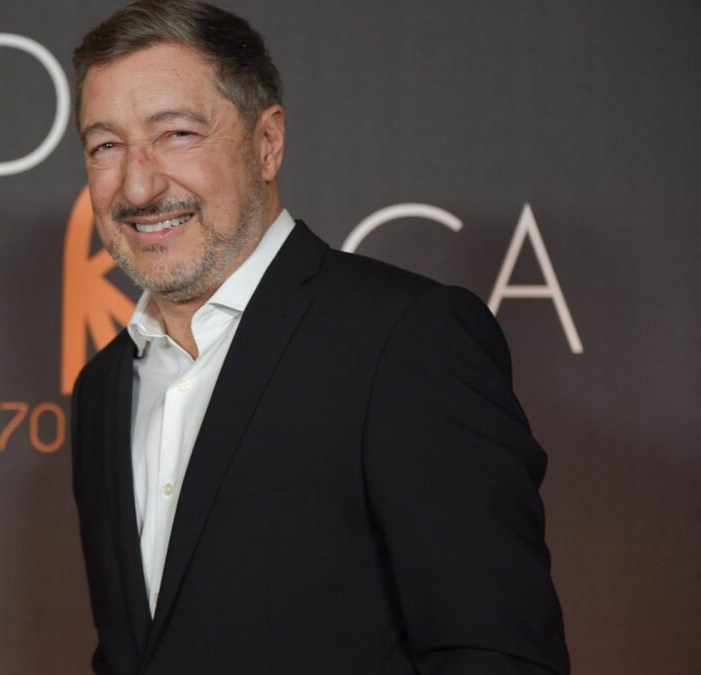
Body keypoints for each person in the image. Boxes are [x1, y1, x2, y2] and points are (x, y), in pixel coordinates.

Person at [68, 1, 570, 674]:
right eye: (106, 146)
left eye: (177, 134)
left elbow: (495, 650)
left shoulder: (404, 339)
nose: (137, 183)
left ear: (267, 142)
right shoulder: (103, 387)